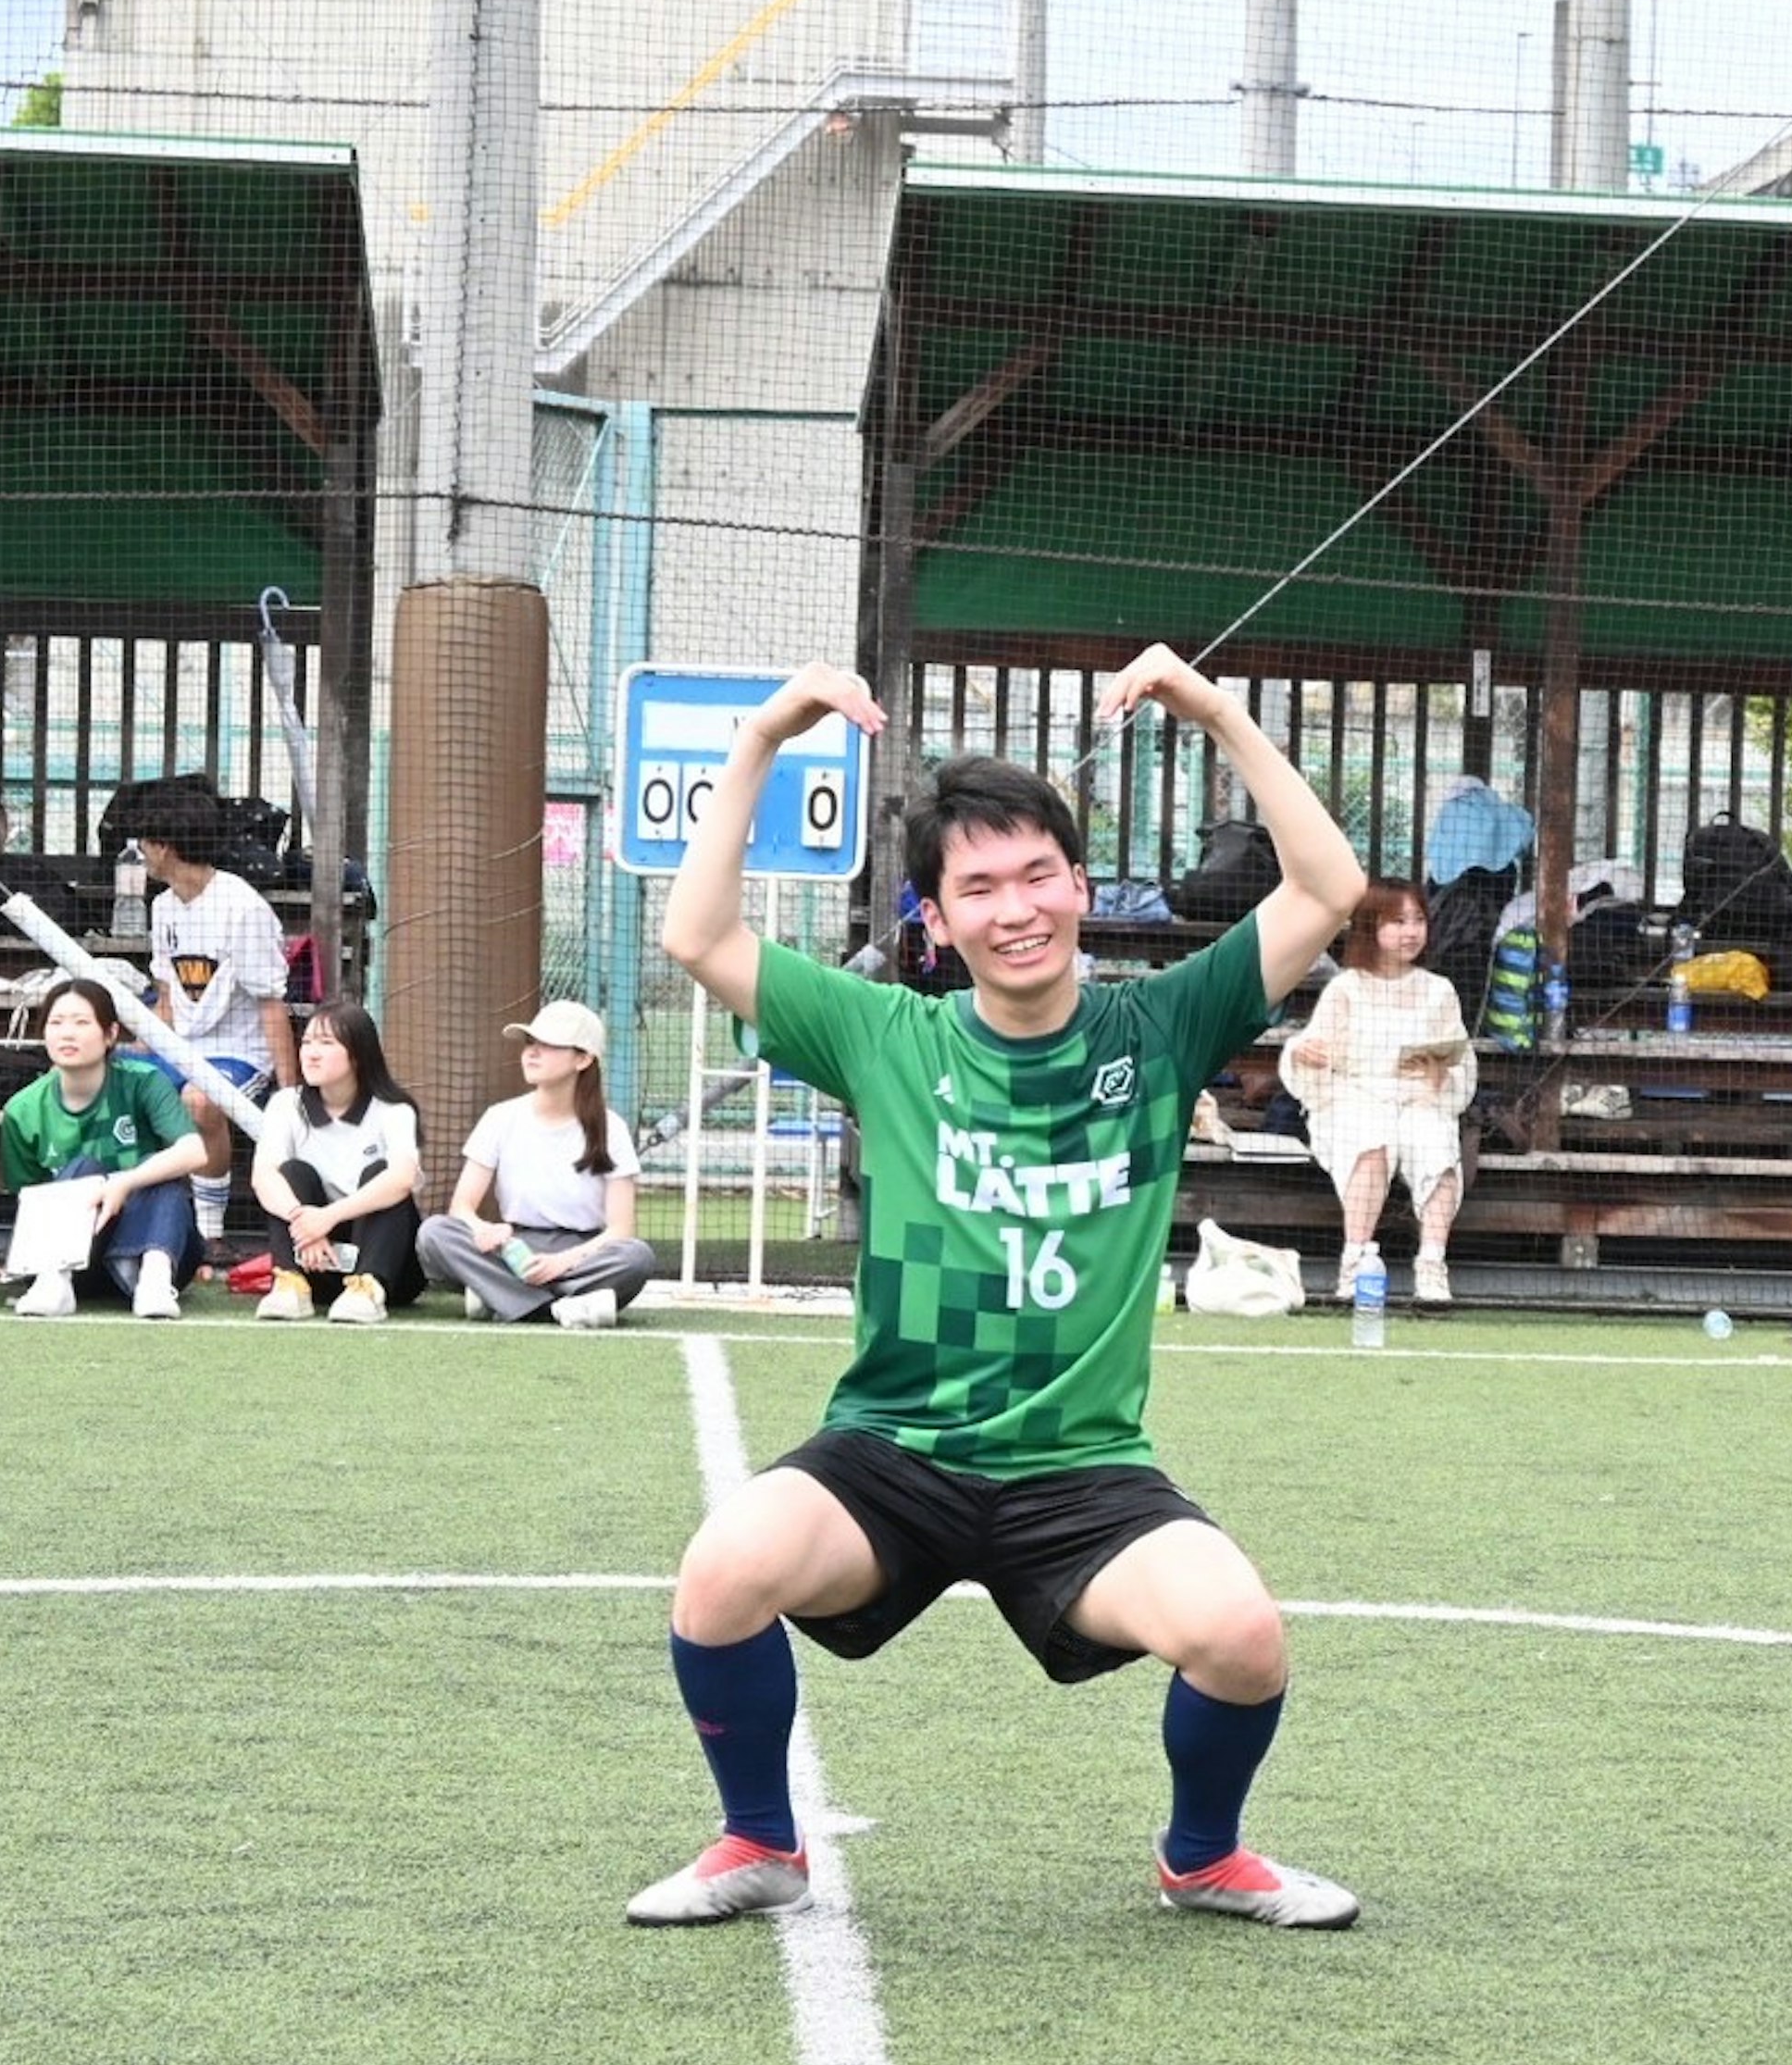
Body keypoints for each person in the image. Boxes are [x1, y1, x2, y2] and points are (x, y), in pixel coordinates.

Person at [628, 646, 1367, 1933]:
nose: (1016, 906)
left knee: (1243, 1633)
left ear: (1080, 883)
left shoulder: (1162, 1027)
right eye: (979, 886)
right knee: (720, 1569)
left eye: (1038, 874)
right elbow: (697, 931)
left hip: (1082, 1472)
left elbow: (1330, 885)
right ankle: (759, 1840)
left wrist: (1218, 711)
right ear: (936, 918)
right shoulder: (886, 1034)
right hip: (893, 1458)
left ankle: (1203, 1855)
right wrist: (762, 738)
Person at [124, 775, 298, 1255]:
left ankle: (210, 1233)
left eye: (144, 842)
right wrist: (143, 1053)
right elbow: (167, 993)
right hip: (183, 1048)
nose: (140, 851)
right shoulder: (162, 907)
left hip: (239, 1053)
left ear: (164, 847)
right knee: (112, 1081)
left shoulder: (242, 908)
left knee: (201, 1100)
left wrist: (290, 1092)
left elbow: (270, 1001)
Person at [1281, 880, 1475, 1304]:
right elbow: (1307, 1052)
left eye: (1418, 920)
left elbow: (1460, 1063)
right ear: (1371, 928)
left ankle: (1432, 1264)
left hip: (1419, 1099)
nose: (1411, 932)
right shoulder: (1346, 987)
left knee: (1438, 1144)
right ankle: (1354, 1263)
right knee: (1372, 1144)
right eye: (1397, 922)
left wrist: (1441, 1077)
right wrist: (1305, 1055)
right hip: (1354, 1097)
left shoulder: (1439, 990)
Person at [412, 1001, 657, 1327]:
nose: (532, 1053)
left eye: (549, 1045)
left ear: (583, 1059)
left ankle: (500, 1297)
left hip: (582, 1254)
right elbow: (462, 1207)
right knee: (434, 1234)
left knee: (636, 1257)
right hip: (512, 1249)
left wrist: (560, 1263)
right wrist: (485, 1230)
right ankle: (563, 1307)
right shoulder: (500, 1117)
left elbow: (620, 1230)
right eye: (531, 1043)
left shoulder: (611, 1127)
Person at [0, 977, 213, 1320]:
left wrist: (123, 1183)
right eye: (56, 1023)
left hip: (156, 1254)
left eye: (81, 1023)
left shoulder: (143, 1081)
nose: (67, 1034)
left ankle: (153, 1284)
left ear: (110, 1034)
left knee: (162, 1174)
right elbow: (28, 1197)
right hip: (79, 1262)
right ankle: (53, 1282)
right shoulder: (22, 1110)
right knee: (83, 1169)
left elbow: (194, 1151)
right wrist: (21, 1262)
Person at [249, 1001, 426, 1325]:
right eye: (307, 1042)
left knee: (382, 1174)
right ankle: (290, 1284)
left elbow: (402, 1178)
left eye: (326, 1043)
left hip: (391, 1267)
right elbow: (263, 1177)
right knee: (291, 1173)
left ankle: (367, 1289)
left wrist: (327, 1218)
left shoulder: (395, 1110)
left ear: (358, 1054)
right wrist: (305, 1224)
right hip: (314, 1257)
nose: (311, 1053)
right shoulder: (285, 1104)